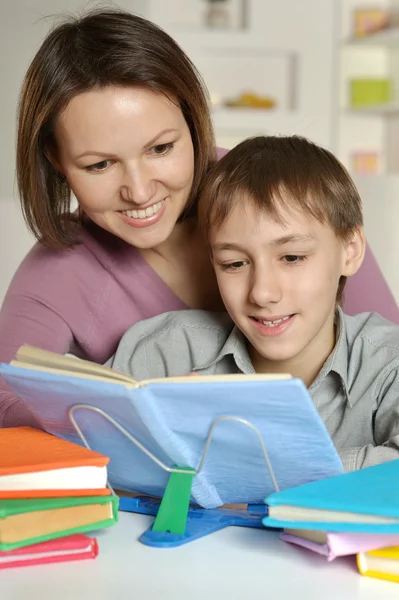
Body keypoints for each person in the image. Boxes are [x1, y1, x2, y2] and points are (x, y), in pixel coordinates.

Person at [0, 9, 396, 428]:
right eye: (99, 165)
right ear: (56, 160)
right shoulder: (60, 271)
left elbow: (387, 361)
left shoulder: (282, 193)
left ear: (192, 121)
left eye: (161, 149)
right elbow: (6, 402)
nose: (138, 190)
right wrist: (130, 419)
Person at [107, 136, 399, 472]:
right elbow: (86, 461)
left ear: (350, 251)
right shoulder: (160, 353)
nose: (261, 293)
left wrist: (251, 458)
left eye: (291, 257)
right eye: (234, 263)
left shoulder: (388, 363)